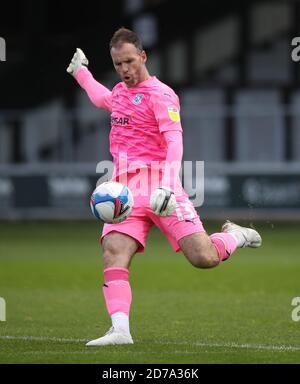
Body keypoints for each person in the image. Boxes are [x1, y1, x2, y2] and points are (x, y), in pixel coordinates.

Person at [67, 27, 262, 346]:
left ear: (143, 56)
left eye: (129, 61)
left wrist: (170, 186)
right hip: (125, 194)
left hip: (161, 187)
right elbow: (102, 97)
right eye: (118, 64)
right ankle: (120, 331)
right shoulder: (119, 93)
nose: (125, 70)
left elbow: (174, 141)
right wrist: (80, 73)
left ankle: (234, 235)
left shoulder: (161, 95)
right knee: (113, 253)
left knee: (203, 258)